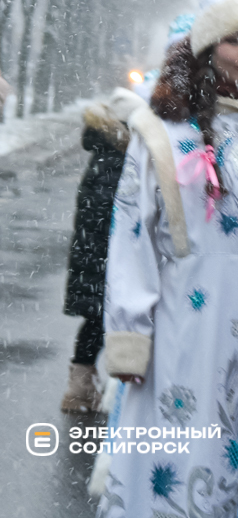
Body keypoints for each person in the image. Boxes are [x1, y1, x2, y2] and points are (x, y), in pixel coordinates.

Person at [97, 0, 238, 518]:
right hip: (182, 321)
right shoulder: (164, 133)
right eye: (236, 40)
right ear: (208, 49)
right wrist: (129, 332)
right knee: (179, 449)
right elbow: (132, 233)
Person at [60, 87, 147, 413]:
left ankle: (81, 388)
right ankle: (84, 390)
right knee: (105, 320)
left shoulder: (103, 154)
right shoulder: (119, 159)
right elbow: (117, 214)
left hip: (93, 254)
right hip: (105, 256)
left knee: (96, 321)